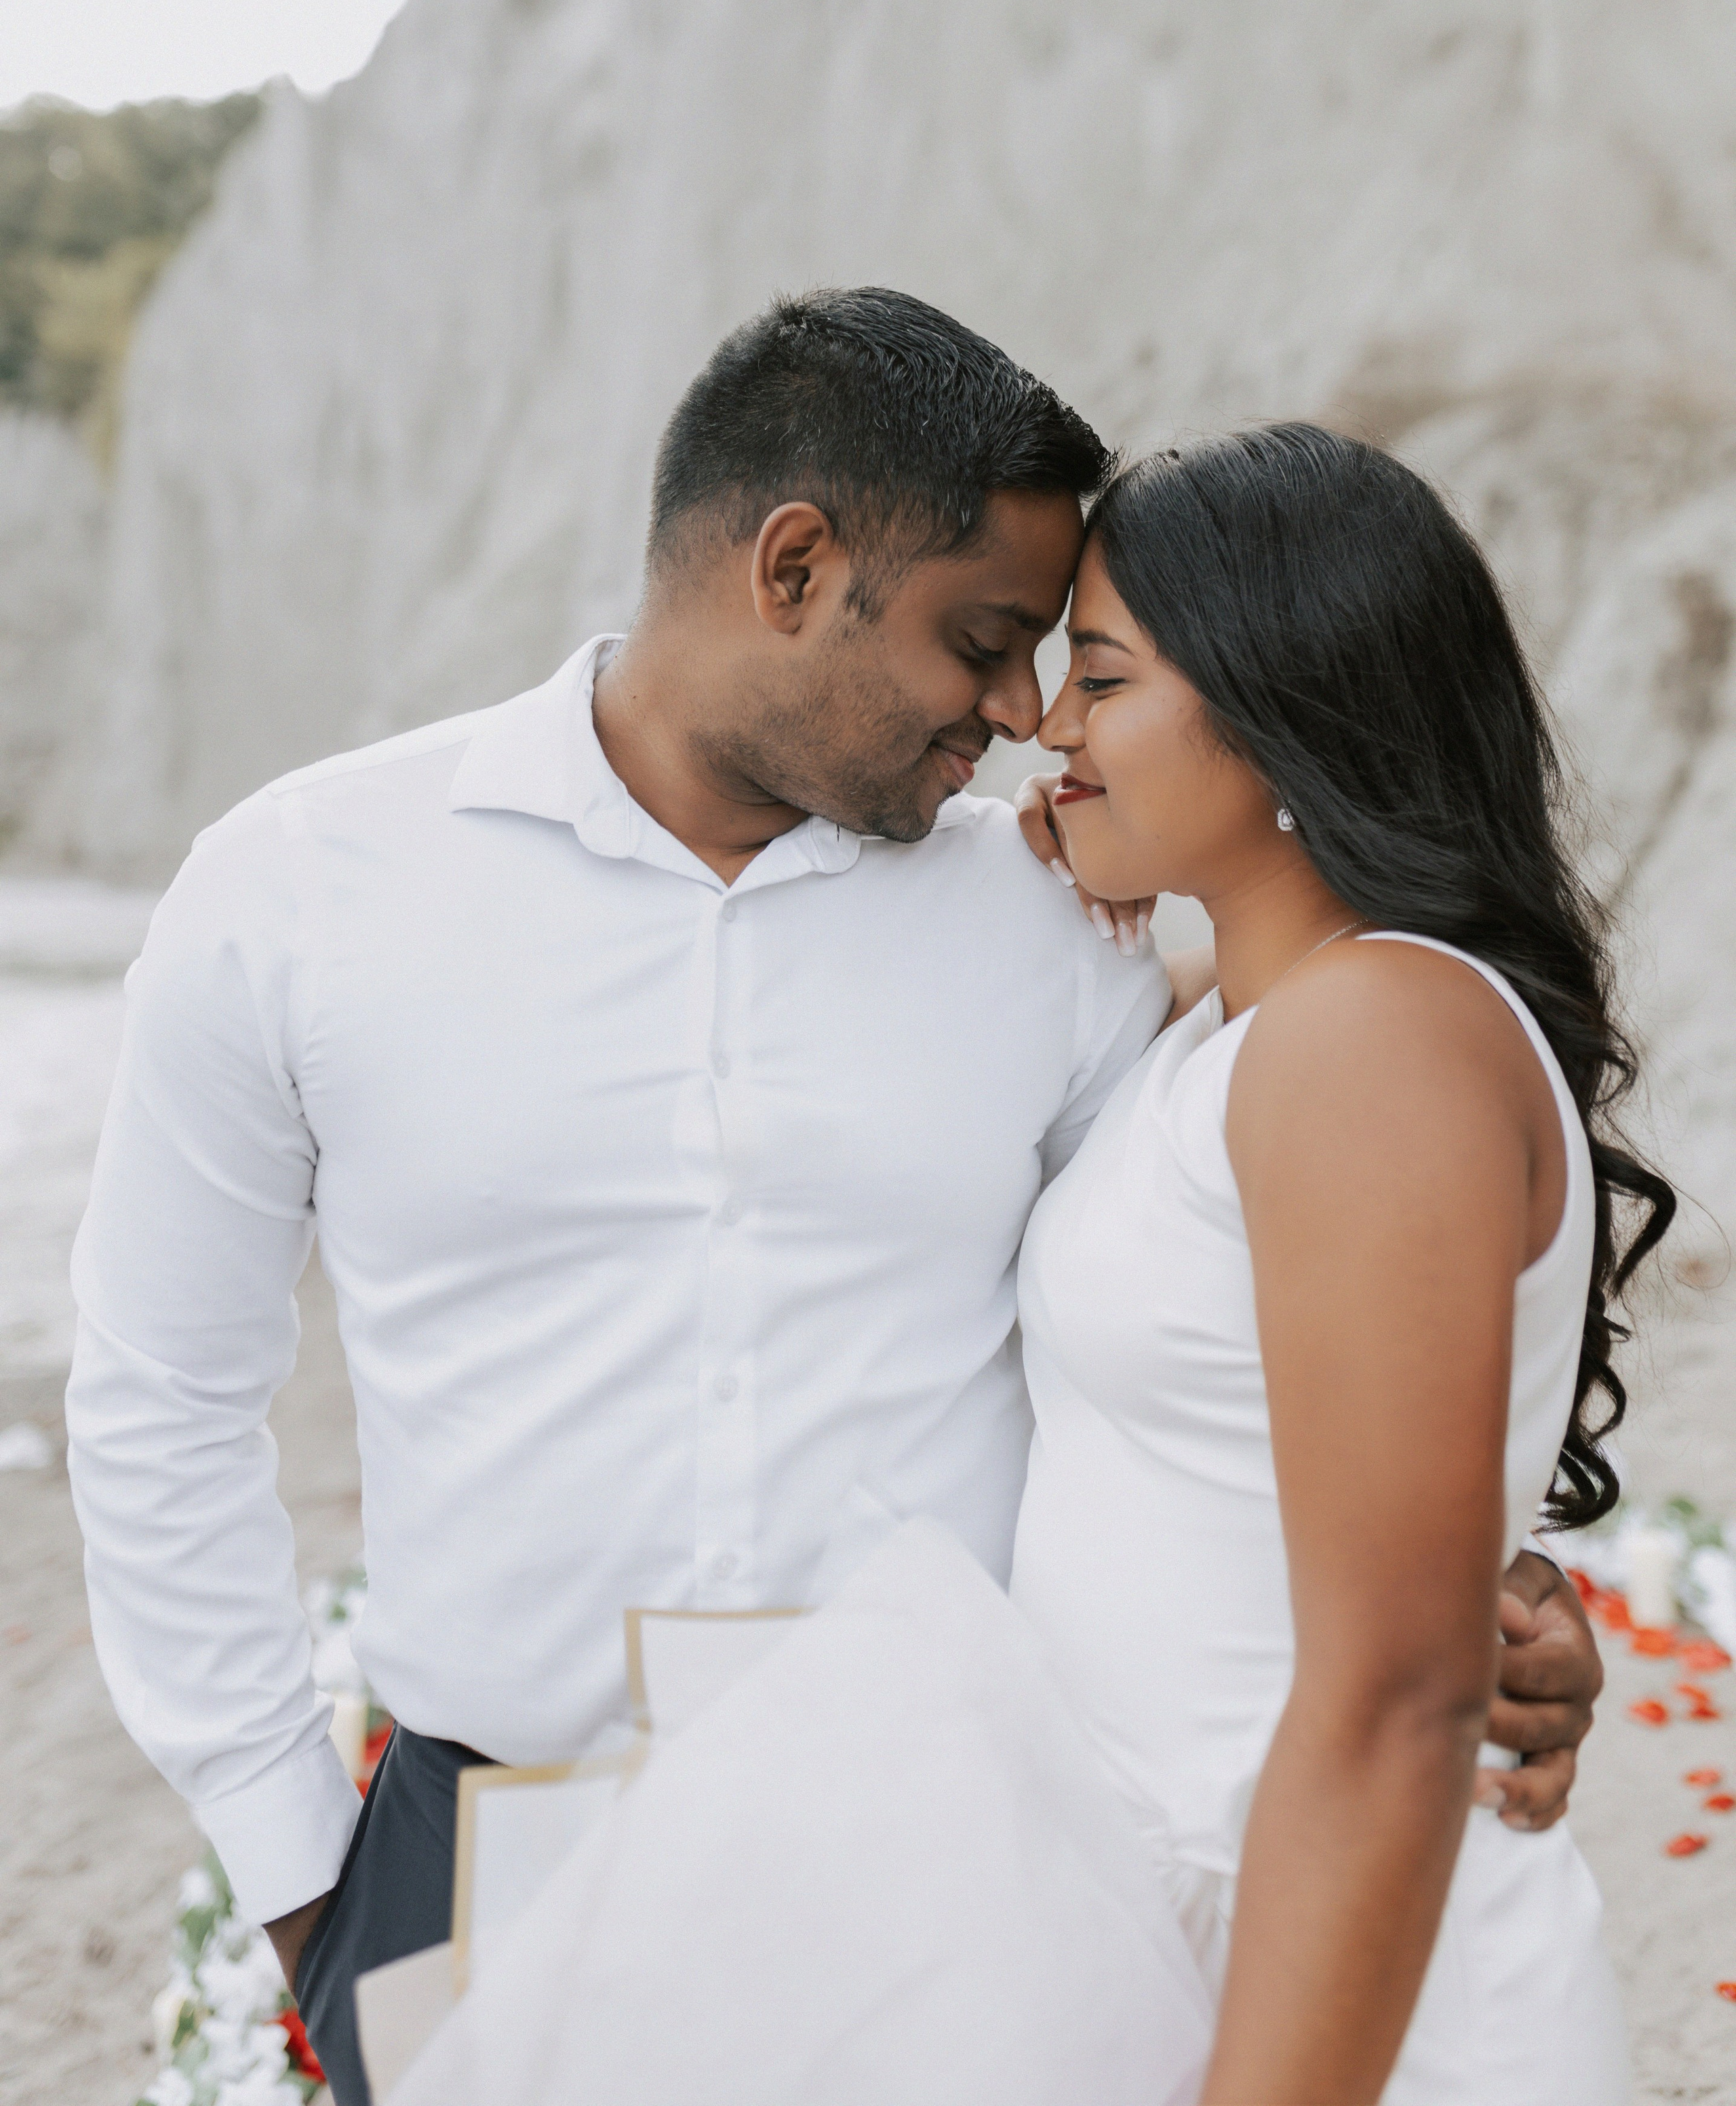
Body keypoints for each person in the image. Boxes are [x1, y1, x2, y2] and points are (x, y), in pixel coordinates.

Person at [66, 300, 1596, 2104]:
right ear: (794, 566)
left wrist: (1479, 1589)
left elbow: (1252, 1326)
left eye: (1070, 665)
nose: (1023, 716)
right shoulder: (300, 888)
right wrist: (299, 1865)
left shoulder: (1062, 922)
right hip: (482, 1856)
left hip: (960, 1872)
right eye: (989, 641)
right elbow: (161, 1390)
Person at [394, 428, 1668, 2106]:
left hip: (1341, 1982)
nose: (1046, 729)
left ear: (1284, 712)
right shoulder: (1239, 1029)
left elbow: (1388, 1705)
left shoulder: (1373, 1044)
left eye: (1104, 681)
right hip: (1153, 1921)